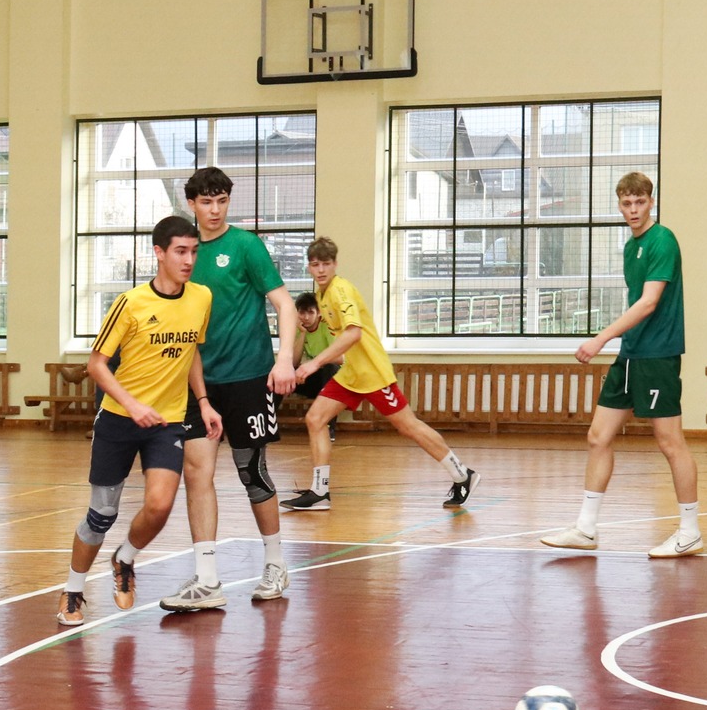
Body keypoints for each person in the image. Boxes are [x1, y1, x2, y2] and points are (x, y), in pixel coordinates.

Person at [57, 216, 216, 626]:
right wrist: (132, 405)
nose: (189, 260)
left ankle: (125, 558)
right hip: (119, 420)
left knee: (160, 505)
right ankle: (73, 591)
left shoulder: (201, 298)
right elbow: (96, 365)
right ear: (159, 253)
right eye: (180, 251)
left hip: (167, 421)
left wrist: (203, 401)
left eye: (194, 251)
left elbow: (191, 353)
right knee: (101, 515)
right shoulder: (130, 304)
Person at [158, 167, 299, 613]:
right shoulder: (187, 253)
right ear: (191, 204)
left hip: (248, 377)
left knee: (251, 471)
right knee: (196, 473)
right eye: (206, 202)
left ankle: (275, 563)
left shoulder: (245, 246)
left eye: (221, 201)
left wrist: (283, 359)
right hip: (200, 382)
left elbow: (284, 304)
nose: (215, 210)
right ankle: (207, 579)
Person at [540, 172, 702, 557]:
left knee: (670, 442)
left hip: (657, 356)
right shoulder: (632, 248)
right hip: (630, 354)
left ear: (651, 202)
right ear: (619, 205)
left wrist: (600, 339)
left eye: (640, 202)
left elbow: (648, 302)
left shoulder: (662, 240)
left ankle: (690, 531)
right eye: (627, 203)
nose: (633, 210)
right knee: (598, 436)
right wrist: (618, 342)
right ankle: (585, 529)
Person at [280, 237, 477, 512]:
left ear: (335, 264)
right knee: (315, 419)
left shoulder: (340, 291)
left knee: (408, 426)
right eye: (315, 264)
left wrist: (315, 364)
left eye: (325, 263)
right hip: (351, 373)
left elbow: (354, 333)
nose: (321, 270)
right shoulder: (321, 296)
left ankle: (462, 474)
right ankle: (320, 492)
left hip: (372, 372)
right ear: (309, 267)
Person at [291, 290, 339, 442]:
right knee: (284, 372)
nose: (305, 317)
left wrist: (314, 363)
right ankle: (268, 424)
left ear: (318, 313)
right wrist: (302, 333)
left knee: (330, 368)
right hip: (312, 380)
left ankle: (328, 427)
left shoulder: (327, 326)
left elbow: (339, 358)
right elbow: (294, 362)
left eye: (310, 312)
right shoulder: (298, 329)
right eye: (302, 312)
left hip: (333, 381)